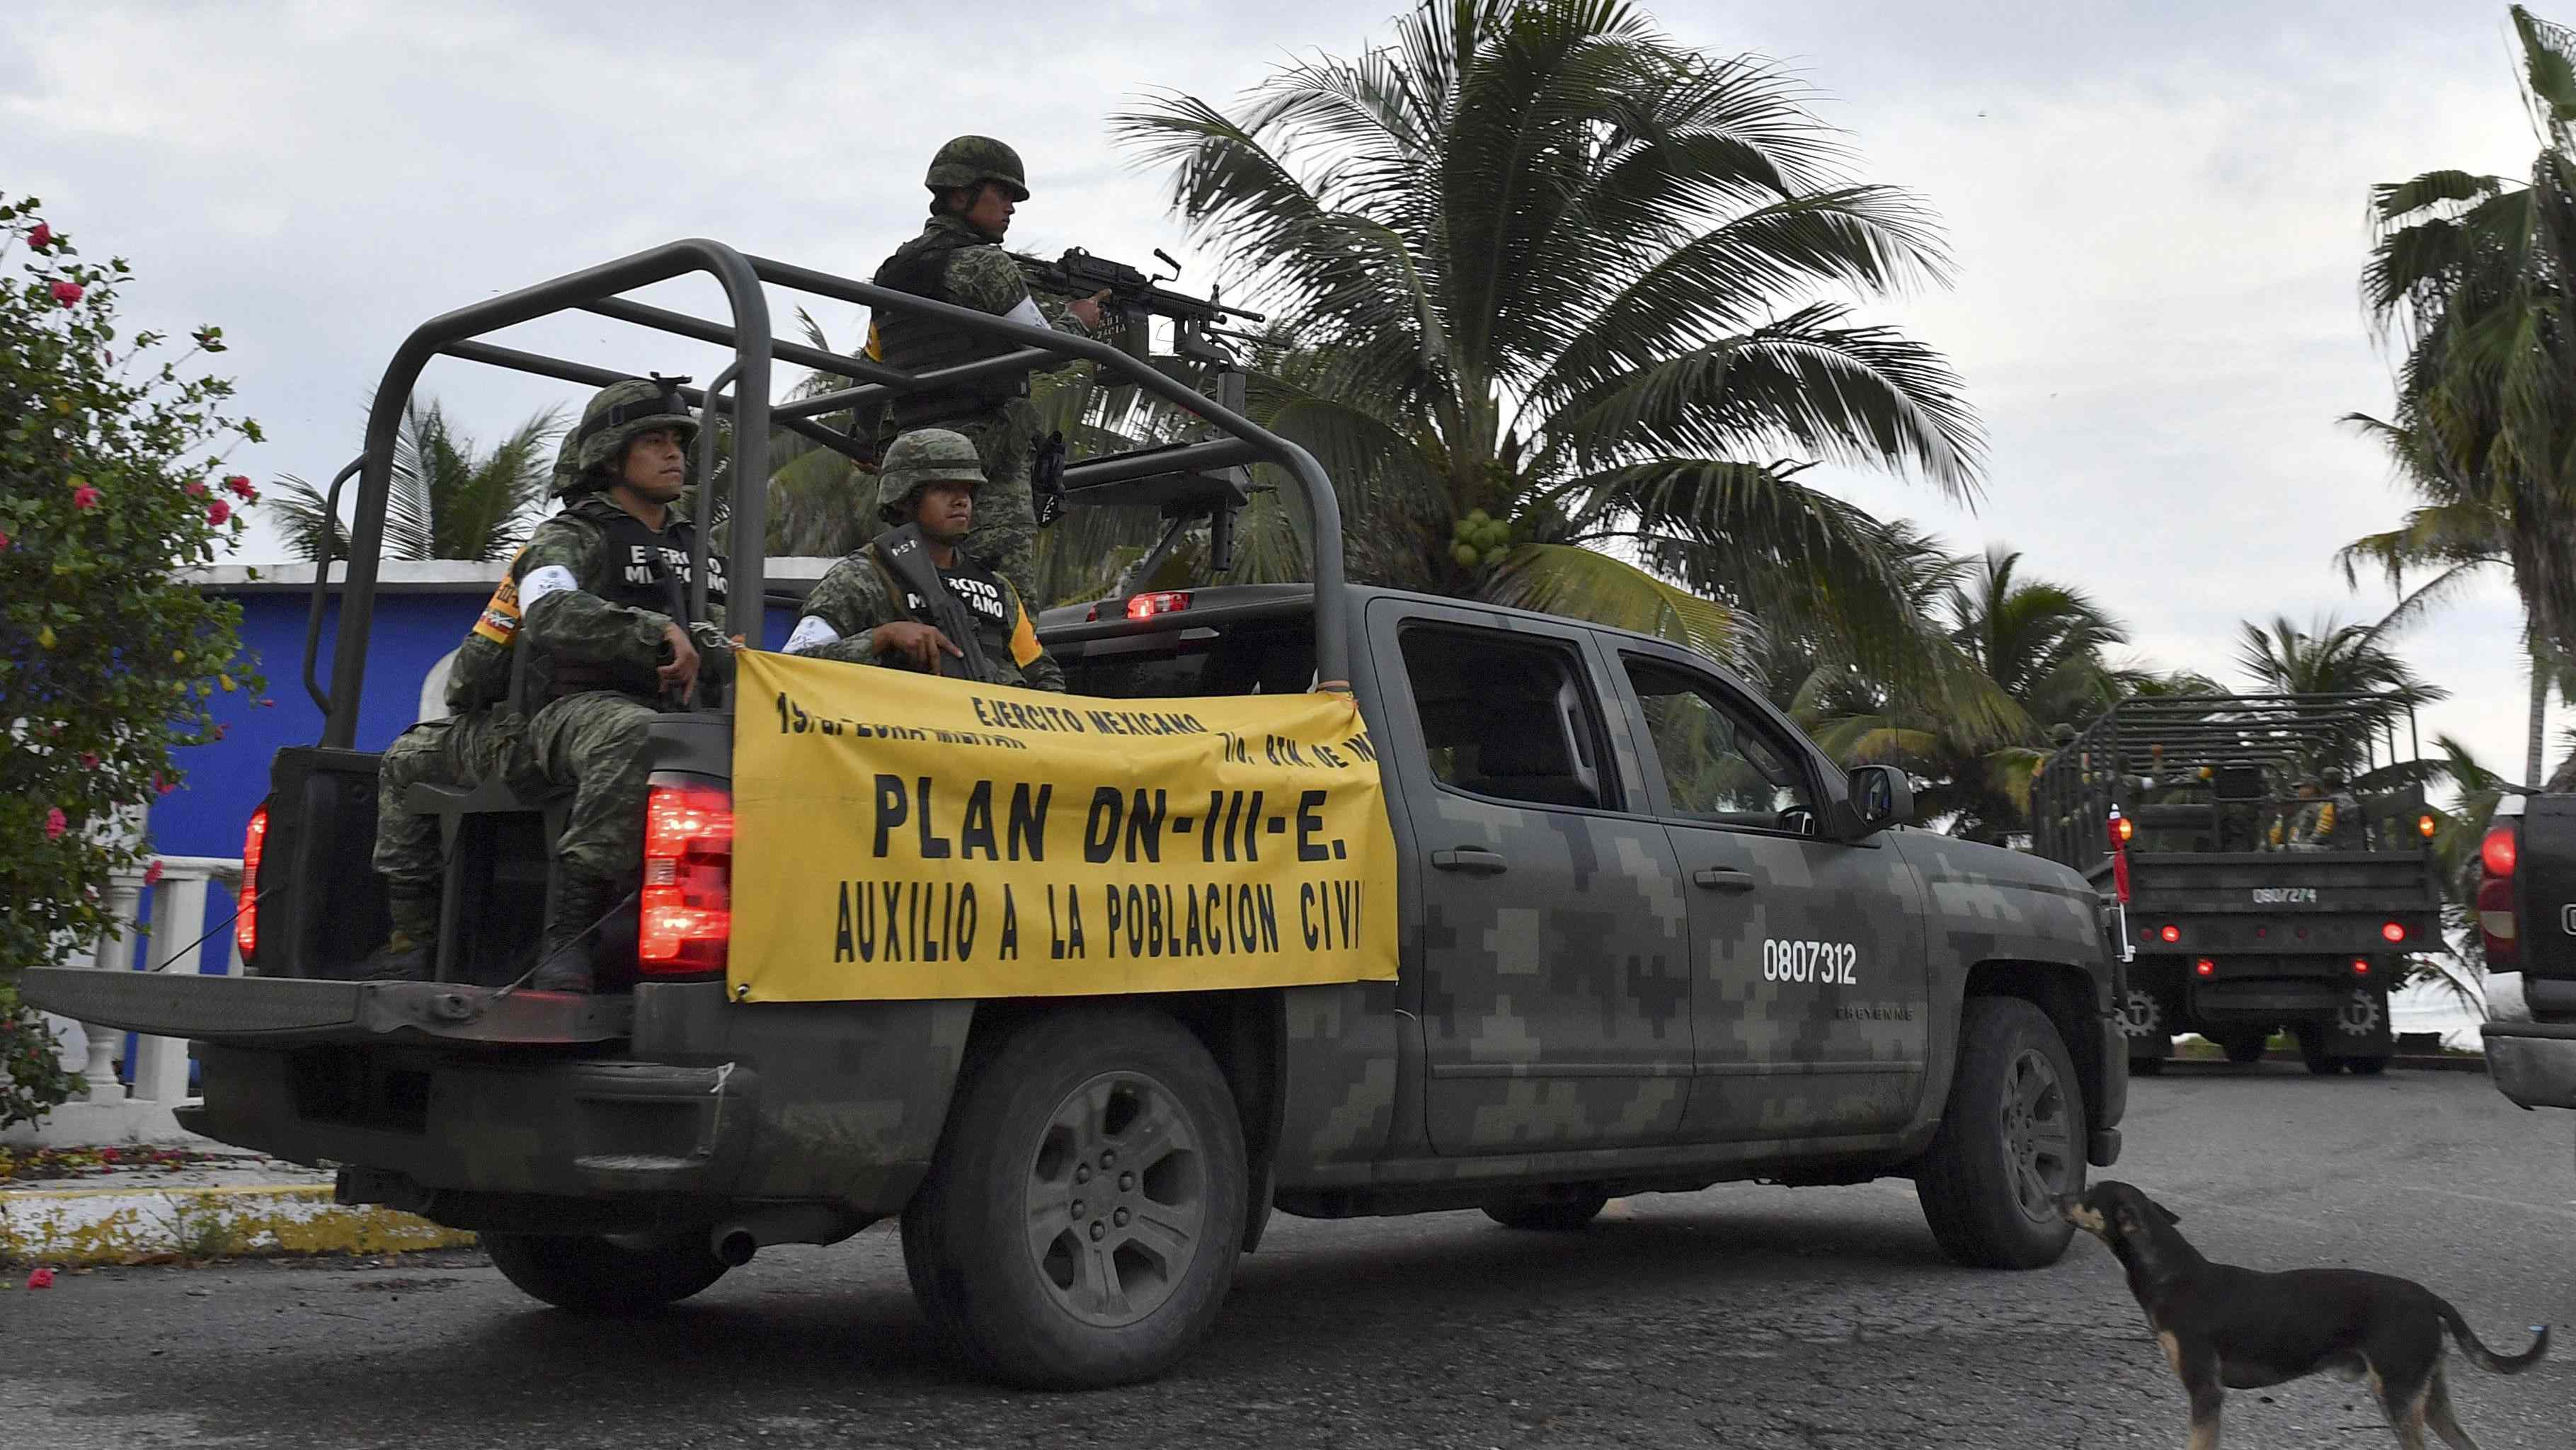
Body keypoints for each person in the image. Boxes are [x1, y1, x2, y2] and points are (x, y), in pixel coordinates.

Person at [505, 376, 737, 991]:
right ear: (612, 456)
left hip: (675, 708)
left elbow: (709, 635)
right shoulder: (569, 536)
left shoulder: (696, 546)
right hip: (574, 711)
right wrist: (651, 630)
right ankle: (568, 936)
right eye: (654, 442)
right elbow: (547, 612)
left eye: (678, 442)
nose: (674, 455)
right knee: (635, 734)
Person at [866, 135, 1106, 607]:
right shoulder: (982, 264)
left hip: (912, 460)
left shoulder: (896, 267)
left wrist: (864, 436)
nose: (1011, 209)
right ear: (961, 194)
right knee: (1007, 603)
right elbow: (1048, 348)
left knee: (923, 597)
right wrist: (1080, 319)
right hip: (981, 462)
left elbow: (873, 360)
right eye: (1002, 196)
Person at [783, 428, 1065, 692]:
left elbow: (1044, 676)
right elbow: (792, 666)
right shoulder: (863, 577)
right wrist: (882, 638)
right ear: (903, 498)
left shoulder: (997, 589)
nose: (961, 500)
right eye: (944, 489)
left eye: (967, 489)